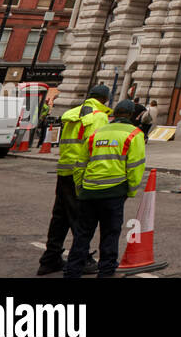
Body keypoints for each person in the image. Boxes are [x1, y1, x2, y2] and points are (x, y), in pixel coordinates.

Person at [65, 100, 146, 279]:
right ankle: (106, 272)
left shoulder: (96, 133)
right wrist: (130, 191)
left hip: (89, 191)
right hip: (114, 193)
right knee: (110, 234)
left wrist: (81, 189)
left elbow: (80, 165)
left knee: (82, 235)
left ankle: (72, 272)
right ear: (132, 115)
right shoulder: (134, 134)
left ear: (114, 114)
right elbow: (135, 167)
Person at [37, 85, 111, 276]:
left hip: (64, 170)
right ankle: (82, 258)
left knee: (60, 217)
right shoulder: (98, 116)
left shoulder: (72, 113)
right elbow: (95, 143)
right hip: (80, 173)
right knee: (81, 218)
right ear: (104, 99)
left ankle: (50, 258)